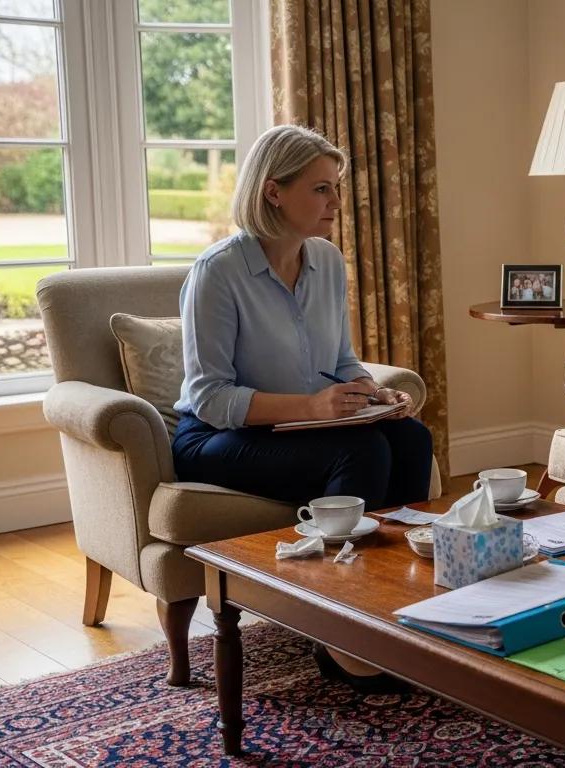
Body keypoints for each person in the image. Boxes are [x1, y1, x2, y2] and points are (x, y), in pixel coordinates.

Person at [172, 124, 433, 692]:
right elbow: (209, 397)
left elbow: (340, 359)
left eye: (335, 187)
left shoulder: (326, 261)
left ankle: (402, 612)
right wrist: (315, 406)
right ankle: (341, 633)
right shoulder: (218, 272)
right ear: (273, 192)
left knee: (410, 437)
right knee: (359, 449)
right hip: (215, 437)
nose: (337, 202)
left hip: (299, 428)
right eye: (321, 189)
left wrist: (372, 393)